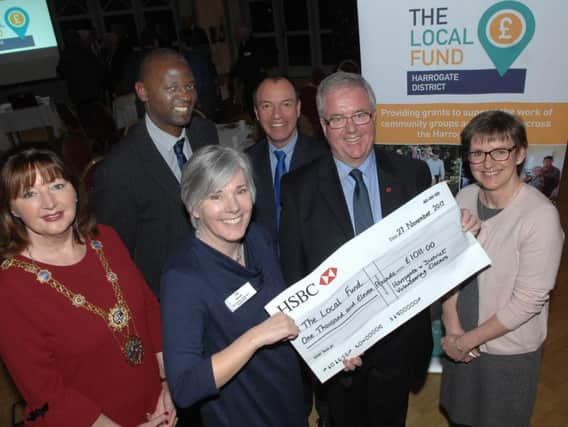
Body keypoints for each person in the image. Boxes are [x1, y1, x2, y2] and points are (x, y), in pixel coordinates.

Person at [278, 71, 435, 427]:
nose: (351, 129)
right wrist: (328, 344)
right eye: (338, 119)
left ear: (374, 116)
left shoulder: (413, 175)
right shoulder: (297, 190)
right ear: (322, 124)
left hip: (399, 348)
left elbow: (430, 254)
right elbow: (294, 277)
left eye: (360, 115)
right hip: (341, 357)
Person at [0, 144, 176, 426]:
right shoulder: (10, 287)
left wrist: (168, 385)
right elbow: (46, 394)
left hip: (156, 408)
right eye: (30, 193)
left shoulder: (105, 239)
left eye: (57, 186)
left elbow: (149, 310)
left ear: (74, 189)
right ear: (12, 208)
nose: (49, 203)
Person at [161, 146, 330, 426]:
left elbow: (287, 317)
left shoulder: (257, 239)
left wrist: (333, 349)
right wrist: (254, 338)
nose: (233, 207)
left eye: (240, 191)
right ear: (193, 207)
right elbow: (185, 387)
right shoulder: (183, 277)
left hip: (288, 408)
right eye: (216, 196)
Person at [440, 111, 564, 426]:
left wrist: (467, 342)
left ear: (520, 153)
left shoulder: (540, 216)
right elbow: (447, 266)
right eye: (478, 153)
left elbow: (528, 301)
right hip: (460, 337)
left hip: (505, 350)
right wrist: (452, 325)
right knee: (460, 416)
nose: (488, 162)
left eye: (500, 151)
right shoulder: (464, 196)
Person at [94, 48, 219, 296]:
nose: (185, 96)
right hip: (166, 294)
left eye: (190, 86)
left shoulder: (205, 132)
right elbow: (116, 253)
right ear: (143, 92)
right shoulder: (118, 169)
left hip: (217, 275)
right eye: (172, 88)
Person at [246, 76, 328, 242]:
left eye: (286, 104)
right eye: (267, 106)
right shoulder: (244, 163)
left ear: (298, 109)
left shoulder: (325, 159)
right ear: (257, 113)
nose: (277, 115)